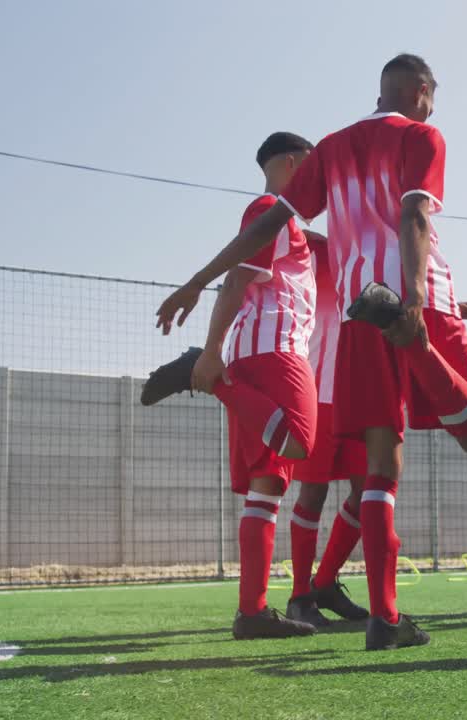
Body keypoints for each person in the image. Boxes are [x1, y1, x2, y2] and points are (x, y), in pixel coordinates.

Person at [154, 54, 467, 651]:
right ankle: (311, 593)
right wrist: (415, 298)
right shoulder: (422, 136)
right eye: (432, 98)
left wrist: (195, 278)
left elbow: (265, 236)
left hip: (362, 320)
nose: (432, 108)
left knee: (375, 473)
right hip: (400, 307)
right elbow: (413, 212)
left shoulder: (333, 150)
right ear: (420, 91)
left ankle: (382, 619)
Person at [142, 131, 320, 640]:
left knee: (266, 492)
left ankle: (252, 613)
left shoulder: (292, 224)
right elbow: (237, 282)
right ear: (292, 163)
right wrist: (213, 353)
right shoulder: (271, 209)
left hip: (254, 358)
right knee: (301, 441)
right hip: (270, 351)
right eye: (313, 166)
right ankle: (206, 375)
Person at [283, 231, 370, 627]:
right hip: (313, 392)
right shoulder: (310, 246)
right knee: (313, 491)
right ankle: (300, 597)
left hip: (357, 394)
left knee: (368, 487)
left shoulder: (374, 255)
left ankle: (325, 582)